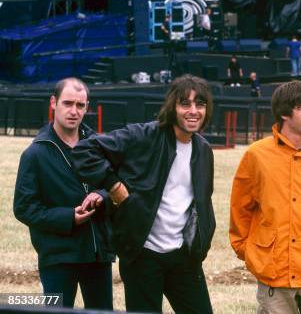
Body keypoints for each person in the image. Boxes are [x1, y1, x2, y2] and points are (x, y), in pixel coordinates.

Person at [72, 74, 216, 314]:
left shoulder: (203, 150)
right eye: (185, 103)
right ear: (173, 106)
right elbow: (85, 151)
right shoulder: (143, 136)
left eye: (199, 104)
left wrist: (200, 244)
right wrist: (114, 186)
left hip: (183, 257)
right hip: (142, 255)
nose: (193, 111)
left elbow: (202, 203)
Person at [230, 80, 301, 314]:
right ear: (284, 112)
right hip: (274, 278)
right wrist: (250, 252)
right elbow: (239, 210)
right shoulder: (256, 155)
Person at [13, 78, 114, 310]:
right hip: (58, 256)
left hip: (98, 254)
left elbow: (114, 185)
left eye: (80, 105)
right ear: (53, 103)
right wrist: (68, 217)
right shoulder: (35, 154)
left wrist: (102, 195)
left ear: (87, 107)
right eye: (68, 103)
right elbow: (24, 208)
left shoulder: (100, 145)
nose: (74, 111)